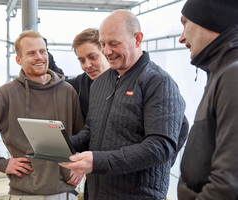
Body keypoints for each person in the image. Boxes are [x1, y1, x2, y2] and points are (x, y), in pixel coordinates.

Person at [60, 10, 186, 199]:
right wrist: (63, 143)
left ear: (137, 39)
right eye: (103, 44)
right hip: (97, 193)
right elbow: (91, 130)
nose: (106, 51)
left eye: (114, 44)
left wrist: (99, 161)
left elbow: (161, 146)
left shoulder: (158, 82)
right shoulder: (101, 82)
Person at [0, 30, 84, 200]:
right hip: (24, 194)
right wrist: (0, 163)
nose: (39, 57)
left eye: (42, 51)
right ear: (18, 60)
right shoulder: (6, 94)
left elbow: (82, 135)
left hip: (64, 192)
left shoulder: (67, 91)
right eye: (31, 53)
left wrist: (81, 166)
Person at [177, 0, 238, 199]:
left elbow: (227, 185)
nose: (181, 37)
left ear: (210, 18)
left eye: (185, 23)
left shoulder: (233, 75)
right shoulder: (220, 73)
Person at [66, 28, 110, 120]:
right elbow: (57, 81)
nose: (87, 65)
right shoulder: (80, 83)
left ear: (106, 52)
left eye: (93, 57)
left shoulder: (124, 82)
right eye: (82, 61)